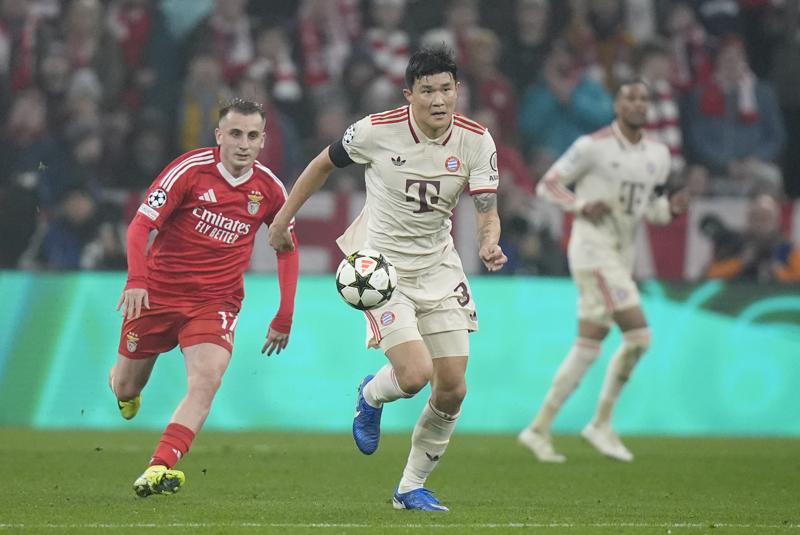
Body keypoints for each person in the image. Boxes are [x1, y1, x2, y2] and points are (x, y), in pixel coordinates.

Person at [268, 46, 506, 512]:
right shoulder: (375, 131)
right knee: (414, 375)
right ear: (408, 94)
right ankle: (370, 394)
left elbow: (486, 210)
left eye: (446, 89)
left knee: (453, 388)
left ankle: (409, 488)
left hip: (439, 267)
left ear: (457, 90)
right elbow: (321, 165)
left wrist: (488, 242)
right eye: (427, 90)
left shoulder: (477, 141)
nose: (439, 99)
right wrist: (281, 220)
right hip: (380, 269)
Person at [109, 98, 299, 497]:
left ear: (263, 140)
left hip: (215, 301)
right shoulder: (189, 171)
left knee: (207, 379)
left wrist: (284, 314)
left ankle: (159, 466)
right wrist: (136, 280)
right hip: (158, 294)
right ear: (219, 136)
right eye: (235, 134)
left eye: (252, 136)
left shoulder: (269, 189)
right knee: (125, 387)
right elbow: (140, 227)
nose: (243, 144)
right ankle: (127, 392)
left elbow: (286, 248)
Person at [518, 80, 689, 463]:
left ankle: (538, 428)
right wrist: (580, 206)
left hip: (621, 254)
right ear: (617, 105)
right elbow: (548, 185)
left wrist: (672, 209)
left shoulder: (659, 155)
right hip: (593, 251)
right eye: (630, 98)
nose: (638, 104)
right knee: (640, 337)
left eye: (644, 98)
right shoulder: (591, 147)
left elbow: (651, 211)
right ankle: (601, 423)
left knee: (587, 346)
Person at [705, 193, 800, 283]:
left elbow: (797, 279)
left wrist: (778, 271)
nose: (760, 223)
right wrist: (740, 262)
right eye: (755, 217)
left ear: (775, 221)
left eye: (765, 218)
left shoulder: (787, 247)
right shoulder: (732, 244)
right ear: (748, 220)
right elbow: (711, 275)